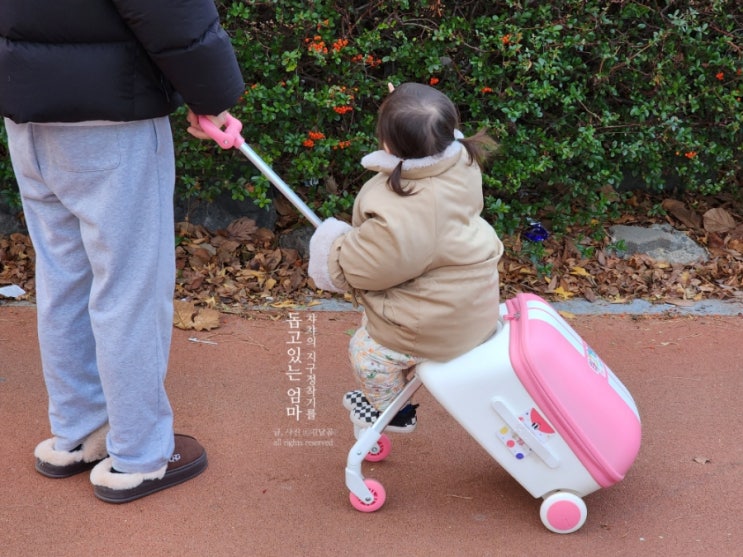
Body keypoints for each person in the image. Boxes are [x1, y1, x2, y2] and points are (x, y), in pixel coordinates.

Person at [0, 1, 244, 503]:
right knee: (131, 286)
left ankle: (75, 434)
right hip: (112, 116)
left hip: (26, 115)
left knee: (63, 276)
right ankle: (139, 454)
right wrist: (212, 95)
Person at [308, 82, 504, 432]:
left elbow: (366, 269)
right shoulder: (461, 161)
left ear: (387, 144)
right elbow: (423, 124)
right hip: (473, 305)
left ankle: (393, 413)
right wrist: (404, 107)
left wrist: (333, 247)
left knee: (366, 353)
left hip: (436, 327)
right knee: (382, 319)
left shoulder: (401, 208)